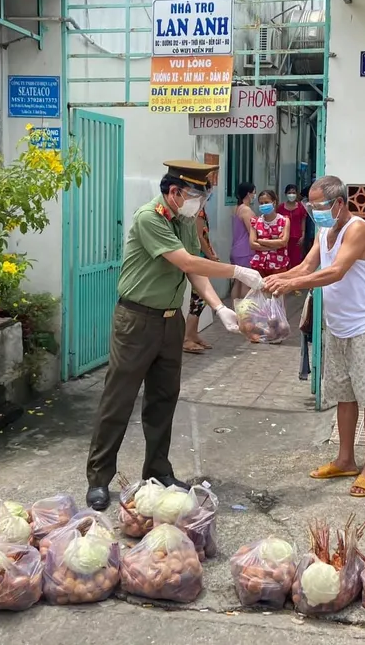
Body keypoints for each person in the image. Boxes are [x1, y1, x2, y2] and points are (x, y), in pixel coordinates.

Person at [85, 162, 264, 511]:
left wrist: (218, 305)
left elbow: (194, 268)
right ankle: (99, 479)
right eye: (196, 195)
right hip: (136, 320)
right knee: (118, 401)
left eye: (204, 195)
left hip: (170, 322)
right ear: (174, 192)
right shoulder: (150, 218)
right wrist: (237, 270)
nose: (201, 202)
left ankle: (158, 470)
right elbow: (187, 263)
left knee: (164, 398)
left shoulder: (183, 220)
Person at [263, 175, 365, 498]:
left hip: (364, 329)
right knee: (343, 396)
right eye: (311, 205)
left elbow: (336, 271)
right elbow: (307, 266)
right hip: (336, 328)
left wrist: (291, 286)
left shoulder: (358, 230)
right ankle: (345, 459)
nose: (314, 211)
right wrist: (277, 278)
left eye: (319, 205)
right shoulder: (324, 231)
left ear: (339, 203)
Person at [183, 201, 219, 355]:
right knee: (198, 299)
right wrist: (210, 255)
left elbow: (204, 235)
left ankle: (193, 334)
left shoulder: (200, 208)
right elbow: (199, 236)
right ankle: (187, 338)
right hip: (198, 258)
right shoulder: (197, 210)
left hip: (201, 257)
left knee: (200, 300)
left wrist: (212, 252)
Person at [249, 190, 290, 277]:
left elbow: (283, 242)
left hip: (278, 265)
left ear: (274, 202)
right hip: (259, 265)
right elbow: (252, 244)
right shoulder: (255, 221)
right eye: (261, 203)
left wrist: (260, 240)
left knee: (277, 289)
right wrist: (275, 244)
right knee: (260, 290)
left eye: (266, 202)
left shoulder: (284, 221)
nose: (264, 205)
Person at [230, 181, 256, 299]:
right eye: (254, 193)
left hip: (236, 250)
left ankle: (236, 310)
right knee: (246, 283)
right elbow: (252, 231)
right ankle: (243, 312)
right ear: (248, 194)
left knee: (237, 282)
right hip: (246, 251)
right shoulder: (246, 210)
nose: (254, 196)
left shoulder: (236, 208)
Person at [277, 184, 308, 269]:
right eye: (289, 192)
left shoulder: (301, 207)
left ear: (297, 194)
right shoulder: (280, 207)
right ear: (286, 194)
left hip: (296, 238)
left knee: (296, 261)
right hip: (284, 238)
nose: (291, 194)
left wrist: (303, 234)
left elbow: (303, 221)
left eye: (293, 192)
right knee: (283, 260)